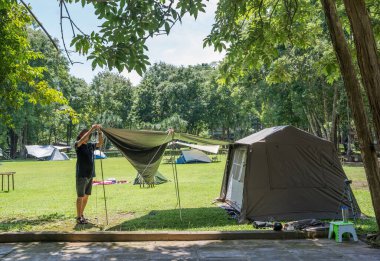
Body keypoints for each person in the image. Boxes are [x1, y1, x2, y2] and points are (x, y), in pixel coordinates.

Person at [75, 124, 103, 224]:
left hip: (90, 174)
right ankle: (78, 218)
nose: (88, 136)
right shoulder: (78, 145)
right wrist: (91, 129)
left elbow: (100, 143)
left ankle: (81, 215)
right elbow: (81, 140)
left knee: (86, 196)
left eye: (88, 135)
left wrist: (99, 131)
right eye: (85, 134)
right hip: (81, 174)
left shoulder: (90, 145)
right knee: (80, 196)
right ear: (81, 136)